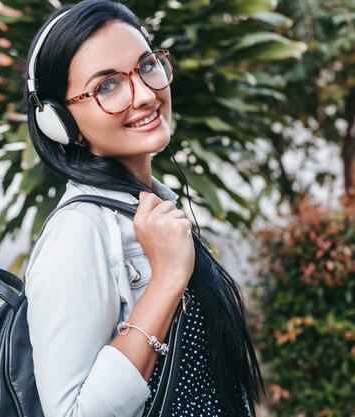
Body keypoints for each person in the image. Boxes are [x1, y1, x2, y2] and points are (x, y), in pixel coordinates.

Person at [22, 1, 263, 416]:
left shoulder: (153, 209)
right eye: (107, 86)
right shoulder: (80, 232)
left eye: (146, 66)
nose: (146, 94)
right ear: (60, 122)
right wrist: (166, 278)